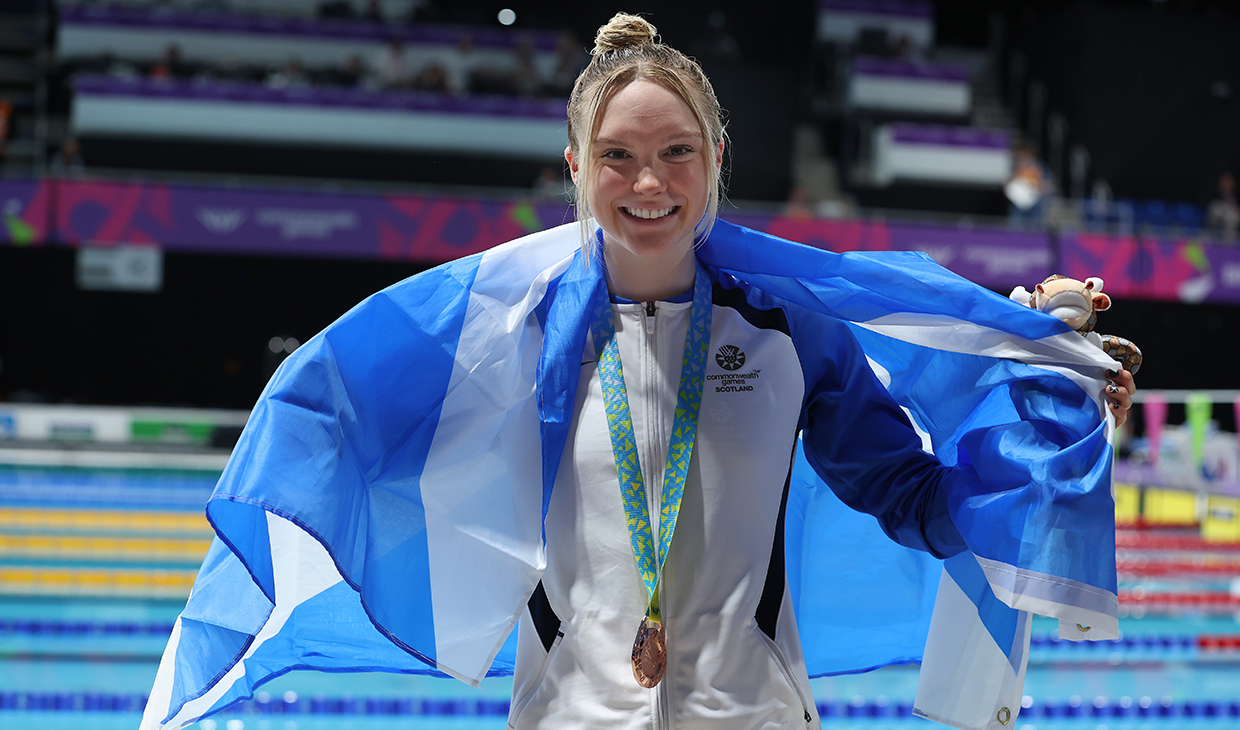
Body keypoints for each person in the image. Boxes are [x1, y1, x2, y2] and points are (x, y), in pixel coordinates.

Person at [141, 14, 1135, 730]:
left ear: (715, 159)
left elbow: (916, 499)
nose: (649, 183)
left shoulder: (792, 326)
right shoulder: (504, 338)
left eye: (675, 152)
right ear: (573, 166)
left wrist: (1041, 401)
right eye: (616, 156)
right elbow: (338, 413)